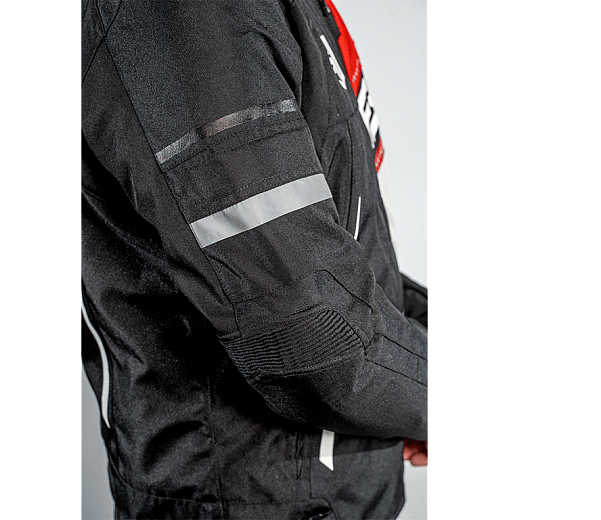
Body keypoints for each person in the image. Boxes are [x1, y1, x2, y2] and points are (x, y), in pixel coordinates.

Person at [81, 0, 428, 518]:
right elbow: (314, 334)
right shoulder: (183, 14)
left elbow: (332, 248)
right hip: (255, 500)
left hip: (335, 492)